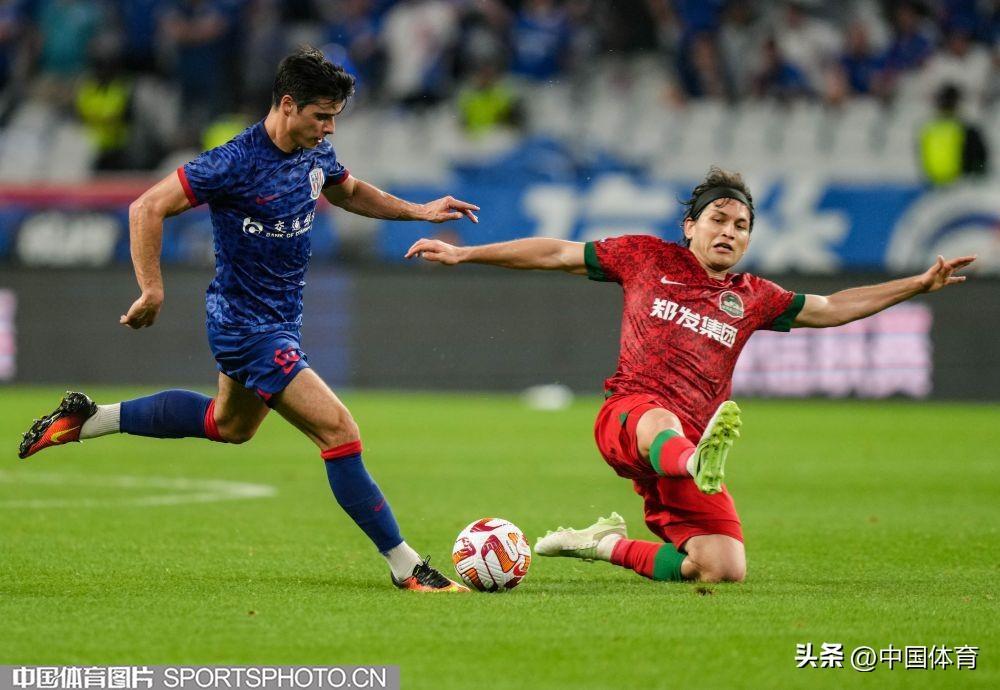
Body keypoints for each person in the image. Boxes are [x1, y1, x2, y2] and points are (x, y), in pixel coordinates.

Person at [19, 47, 480, 593]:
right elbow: (146, 207)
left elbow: (351, 192)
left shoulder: (314, 153)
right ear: (287, 105)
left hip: (277, 322)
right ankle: (407, 566)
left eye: (335, 117)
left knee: (229, 426)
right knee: (339, 431)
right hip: (246, 328)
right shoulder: (234, 161)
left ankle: (90, 419)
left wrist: (420, 211)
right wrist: (152, 288)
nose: (330, 128)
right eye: (322, 116)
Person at [405, 166, 975, 584]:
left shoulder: (754, 297)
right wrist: (465, 254)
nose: (729, 231)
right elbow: (556, 252)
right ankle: (694, 461)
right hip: (631, 418)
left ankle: (602, 545)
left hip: (688, 450)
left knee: (721, 567)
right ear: (690, 226)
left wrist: (916, 284)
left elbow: (830, 308)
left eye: (741, 225)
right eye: (718, 219)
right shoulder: (646, 257)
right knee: (660, 418)